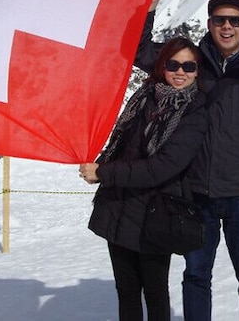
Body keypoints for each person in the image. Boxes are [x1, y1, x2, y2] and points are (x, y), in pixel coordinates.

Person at [135, 0, 239, 321]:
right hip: (195, 195)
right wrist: (149, 7)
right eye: (219, 19)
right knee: (196, 276)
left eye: (234, 19)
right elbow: (141, 52)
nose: (226, 26)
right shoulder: (189, 65)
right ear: (209, 23)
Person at [79, 36, 208, 321]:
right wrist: (101, 164)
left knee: (155, 292)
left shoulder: (196, 112)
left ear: (198, 71)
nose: (180, 72)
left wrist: (103, 173)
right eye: (173, 64)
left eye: (188, 66)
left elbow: (161, 168)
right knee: (126, 291)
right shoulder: (145, 98)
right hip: (120, 205)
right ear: (163, 66)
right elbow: (124, 144)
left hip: (156, 214)